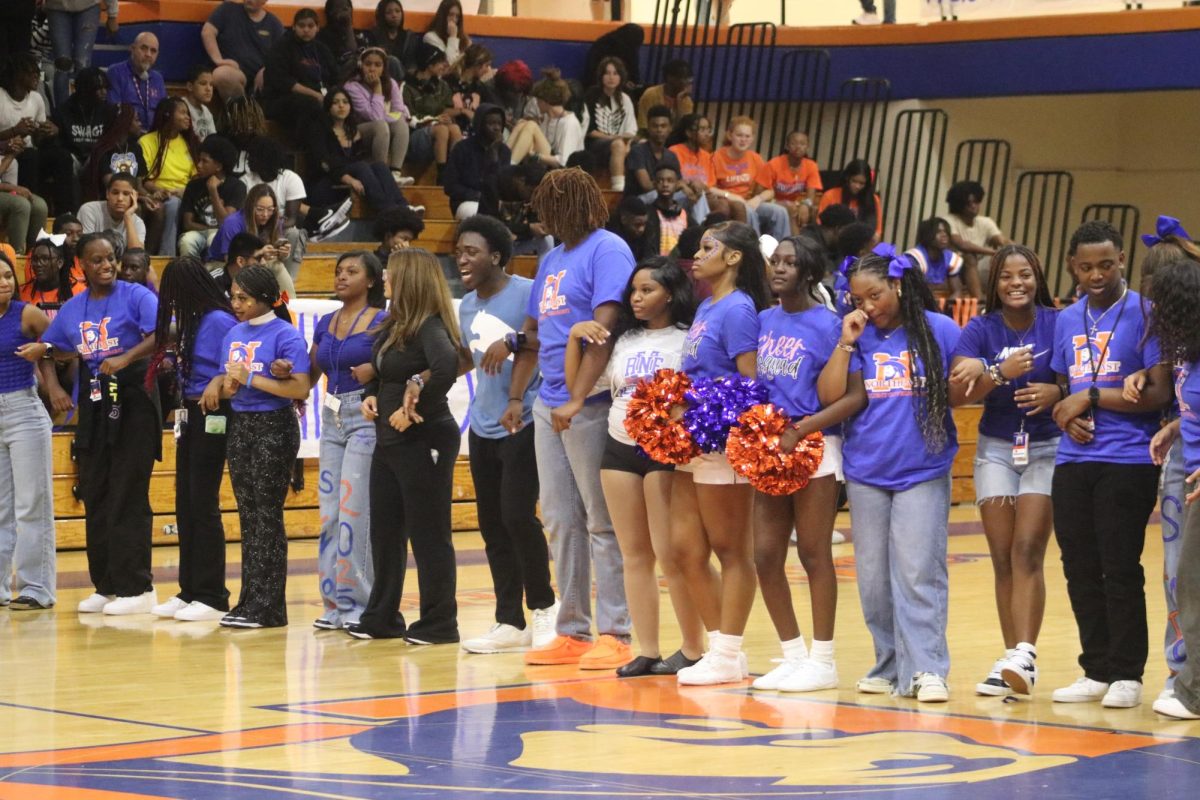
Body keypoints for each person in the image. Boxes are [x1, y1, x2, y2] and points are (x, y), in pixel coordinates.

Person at [503, 168, 634, 669]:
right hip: (548, 402)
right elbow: (535, 333)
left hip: (591, 402)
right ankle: (573, 630)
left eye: (552, 207)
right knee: (559, 519)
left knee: (602, 520)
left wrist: (577, 399)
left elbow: (603, 331)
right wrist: (518, 394)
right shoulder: (552, 258)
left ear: (578, 207)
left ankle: (616, 632)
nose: (544, 217)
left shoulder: (608, 249)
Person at [820, 246, 960, 702]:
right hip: (866, 471)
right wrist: (845, 340)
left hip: (922, 468)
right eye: (858, 298)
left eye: (875, 295)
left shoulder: (938, 330)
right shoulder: (857, 336)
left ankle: (928, 668)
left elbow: (965, 382)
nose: (868, 306)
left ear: (898, 285)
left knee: (919, 571)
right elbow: (830, 395)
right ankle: (889, 660)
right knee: (874, 579)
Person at [1047, 220, 1171, 709]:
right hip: (1073, 458)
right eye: (1085, 266)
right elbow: (1064, 389)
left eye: (1105, 263)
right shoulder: (1065, 317)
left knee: (1119, 566)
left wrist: (1090, 398)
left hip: (1128, 457)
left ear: (1121, 259)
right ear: (1072, 268)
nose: (1096, 274)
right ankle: (1095, 669)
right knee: (1078, 565)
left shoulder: (1147, 313)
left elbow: (1159, 394)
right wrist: (1068, 416)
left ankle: (1127, 673)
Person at [565, 257, 706, 675]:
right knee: (634, 555)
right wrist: (575, 337)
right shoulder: (623, 340)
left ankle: (693, 648)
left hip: (664, 453)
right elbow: (579, 386)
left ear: (671, 294)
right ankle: (645, 648)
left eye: (648, 290)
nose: (637, 298)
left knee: (671, 553)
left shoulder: (687, 339)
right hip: (618, 448)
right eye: (634, 291)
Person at [749, 236, 865, 692]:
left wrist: (802, 428)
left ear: (810, 274)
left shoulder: (829, 324)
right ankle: (794, 655)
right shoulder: (762, 320)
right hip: (768, 445)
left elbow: (855, 397)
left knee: (813, 552)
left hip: (814, 442)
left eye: (790, 263)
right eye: (775, 261)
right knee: (764, 555)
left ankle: (825, 659)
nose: (778, 269)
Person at [948, 244, 1061, 697]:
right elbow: (958, 394)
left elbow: (1082, 377)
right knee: (1001, 557)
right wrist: (997, 369)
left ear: (1038, 278)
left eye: (1025, 275)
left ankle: (1024, 653)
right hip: (996, 448)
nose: (1017, 283)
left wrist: (1057, 392)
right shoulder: (979, 328)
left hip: (1048, 446)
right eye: (1007, 277)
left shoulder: (1059, 321)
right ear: (994, 284)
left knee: (1027, 549)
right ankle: (1014, 657)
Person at [668, 221, 769, 685]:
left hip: (724, 441)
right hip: (695, 440)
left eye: (709, 246)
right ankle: (721, 651)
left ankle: (727, 653)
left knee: (731, 550)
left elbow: (750, 385)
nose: (697, 253)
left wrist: (701, 407)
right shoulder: (708, 304)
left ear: (733, 258)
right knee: (685, 551)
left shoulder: (740, 309)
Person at [40, 233, 161, 615]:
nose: (107, 265)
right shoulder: (73, 308)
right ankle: (106, 585)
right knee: (96, 490)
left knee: (127, 490)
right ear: (81, 266)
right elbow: (51, 348)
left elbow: (165, 333)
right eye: (97, 260)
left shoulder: (136, 295)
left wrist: (126, 358)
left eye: (111, 258)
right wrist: (54, 382)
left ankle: (138, 588)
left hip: (135, 397)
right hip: (95, 400)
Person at [348, 248, 463, 644]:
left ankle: (440, 622)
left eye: (390, 274)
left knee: (429, 533)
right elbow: (384, 372)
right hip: (389, 441)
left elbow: (448, 366)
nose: (384, 279)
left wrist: (414, 407)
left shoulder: (430, 325)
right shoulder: (395, 324)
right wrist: (372, 394)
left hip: (425, 436)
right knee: (386, 531)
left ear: (409, 279)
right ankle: (381, 617)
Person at [455, 215, 558, 654]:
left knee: (518, 515)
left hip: (526, 418)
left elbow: (545, 338)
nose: (461, 257)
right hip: (483, 423)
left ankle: (544, 608)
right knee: (493, 525)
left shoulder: (526, 291)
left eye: (471, 251)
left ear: (496, 256)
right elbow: (469, 356)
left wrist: (516, 340)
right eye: (458, 251)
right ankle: (508, 621)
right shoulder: (465, 306)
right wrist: (421, 380)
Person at [209, 265, 310, 628]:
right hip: (241, 424)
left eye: (243, 298)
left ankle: (269, 607)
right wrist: (227, 386)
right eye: (233, 297)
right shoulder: (233, 333)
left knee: (267, 515)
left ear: (264, 298)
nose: (235, 304)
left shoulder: (286, 335)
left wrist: (252, 378)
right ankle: (249, 601)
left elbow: (300, 389)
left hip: (274, 426)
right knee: (248, 515)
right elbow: (228, 381)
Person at [146, 257, 238, 622]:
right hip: (188, 412)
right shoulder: (193, 320)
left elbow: (230, 369)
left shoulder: (218, 320)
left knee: (202, 500)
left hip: (211, 412)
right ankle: (190, 590)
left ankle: (213, 594)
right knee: (185, 501)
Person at [305, 251, 387, 630]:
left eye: (351, 271)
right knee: (330, 514)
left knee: (356, 512)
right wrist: (283, 372)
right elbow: (309, 372)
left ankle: (358, 605)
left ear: (370, 281)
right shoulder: (325, 322)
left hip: (365, 417)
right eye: (338, 271)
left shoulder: (382, 321)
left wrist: (377, 370)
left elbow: (398, 365)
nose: (341, 277)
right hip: (331, 416)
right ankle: (333, 603)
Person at [1142, 257, 1200, 720]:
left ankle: (1194, 691)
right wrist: (1177, 425)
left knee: (1194, 587)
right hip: (1188, 471)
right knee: (1184, 581)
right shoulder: (1187, 349)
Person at [0, 251, 57, 611]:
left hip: (23, 411)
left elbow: (63, 346)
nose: (3, 282)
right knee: (0, 507)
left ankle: (37, 588)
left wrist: (45, 351)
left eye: (7, 276)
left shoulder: (26, 313)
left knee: (30, 504)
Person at [303, 88, 411, 214]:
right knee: (361, 167)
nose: (341, 106)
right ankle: (388, 210)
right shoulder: (319, 130)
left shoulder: (352, 131)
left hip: (348, 178)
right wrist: (348, 179)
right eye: (336, 102)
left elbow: (357, 159)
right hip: (325, 183)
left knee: (380, 166)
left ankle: (404, 206)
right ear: (328, 107)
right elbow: (324, 163)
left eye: (345, 102)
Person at [711, 117, 790, 240]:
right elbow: (709, 187)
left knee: (780, 212)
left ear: (752, 138)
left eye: (747, 136)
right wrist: (730, 196)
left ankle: (782, 251)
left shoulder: (755, 158)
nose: (743, 140)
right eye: (739, 135)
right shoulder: (717, 156)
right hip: (729, 204)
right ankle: (756, 250)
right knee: (748, 211)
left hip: (750, 202)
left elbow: (770, 190)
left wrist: (758, 199)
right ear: (730, 135)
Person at [139, 97, 200, 256]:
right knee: (172, 203)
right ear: (168, 115)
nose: (188, 117)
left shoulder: (189, 143)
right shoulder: (147, 141)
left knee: (175, 203)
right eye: (182, 112)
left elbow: (196, 179)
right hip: (158, 193)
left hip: (185, 193)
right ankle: (166, 256)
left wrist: (184, 190)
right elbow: (145, 180)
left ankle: (169, 255)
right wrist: (162, 190)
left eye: (188, 113)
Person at [262, 9, 337, 132]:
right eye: (301, 26)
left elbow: (335, 76)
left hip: (320, 97)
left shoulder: (322, 49)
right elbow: (283, 81)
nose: (306, 30)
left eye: (310, 26)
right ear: (294, 27)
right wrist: (316, 95)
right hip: (284, 99)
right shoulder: (282, 47)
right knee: (310, 104)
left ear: (317, 28)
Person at [346, 47, 412, 176]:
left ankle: (395, 172)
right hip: (358, 131)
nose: (372, 69)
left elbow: (398, 111)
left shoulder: (391, 83)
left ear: (383, 68)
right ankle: (382, 174)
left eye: (378, 65)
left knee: (400, 123)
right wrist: (377, 88)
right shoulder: (352, 86)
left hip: (382, 126)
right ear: (361, 65)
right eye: (368, 64)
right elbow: (375, 117)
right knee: (381, 126)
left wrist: (387, 118)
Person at [201, 0, 285, 101]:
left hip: (260, 78)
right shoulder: (227, 9)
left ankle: (256, 111)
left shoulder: (274, 24)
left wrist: (267, 69)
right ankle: (242, 112)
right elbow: (207, 32)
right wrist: (218, 60)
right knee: (221, 75)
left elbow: (284, 55)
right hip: (234, 71)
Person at [179, 135, 246, 260]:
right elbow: (187, 223)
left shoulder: (237, 186)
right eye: (199, 160)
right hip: (198, 232)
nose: (198, 165)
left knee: (213, 239)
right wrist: (210, 229)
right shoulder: (193, 185)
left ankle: (213, 276)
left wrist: (213, 191)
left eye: (204, 161)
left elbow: (226, 223)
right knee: (186, 241)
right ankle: (188, 275)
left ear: (219, 166)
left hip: (222, 234)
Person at [402, 44, 464, 177]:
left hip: (438, 131)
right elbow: (408, 117)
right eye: (440, 63)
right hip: (414, 135)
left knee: (454, 128)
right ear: (429, 65)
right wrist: (435, 120)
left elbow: (445, 108)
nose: (444, 66)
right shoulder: (407, 87)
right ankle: (442, 175)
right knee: (441, 129)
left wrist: (453, 114)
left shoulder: (442, 86)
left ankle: (454, 172)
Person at [43, 0, 119, 106]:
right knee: (62, 65)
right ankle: (62, 116)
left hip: (89, 6)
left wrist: (113, 14)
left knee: (82, 63)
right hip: (56, 7)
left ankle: (84, 114)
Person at [443, 104, 509, 220]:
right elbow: (450, 186)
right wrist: (476, 195)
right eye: (491, 123)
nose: (497, 128)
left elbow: (502, 184)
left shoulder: (504, 151)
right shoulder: (462, 148)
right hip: (465, 202)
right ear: (480, 125)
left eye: (499, 123)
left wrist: (494, 155)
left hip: (494, 202)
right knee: (482, 216)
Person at [946, 180, 1010, 298]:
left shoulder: (985, 222)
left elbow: (1002, 241)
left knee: (1008, 260)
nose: (973, 205)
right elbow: (962, 245)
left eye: (976, 201)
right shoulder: (948, 221)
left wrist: (1019, 251)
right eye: (968, 202)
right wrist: (994, 252)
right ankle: (979, 301)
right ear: (958, 204)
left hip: (978, 268)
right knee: (969, 257)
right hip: (954, 269)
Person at [582, 57, 637, 192]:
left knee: (643, 144)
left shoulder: (625, 98)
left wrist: (627, 142)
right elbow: (590, 131)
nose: (611, 77)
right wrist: (616, 139)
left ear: (621, 77)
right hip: (596, 143)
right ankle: (618, 189)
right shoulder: (591, 95)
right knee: (618, 145)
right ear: (601, 76)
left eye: (615, 73)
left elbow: (631, 129)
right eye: (607, 73)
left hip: (622, 141)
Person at [53, 66, 115, 172]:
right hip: (71, 161)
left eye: (105, 88)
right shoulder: (63, 111)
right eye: (99, 88)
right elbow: (59, 144)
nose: (104, 92)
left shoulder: (108, 111)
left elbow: (110, 143)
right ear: (85, 89)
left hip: (98, 162)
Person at [213, 231, 296, 304]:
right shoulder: (212, 282)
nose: (263, 263)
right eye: (258, 258)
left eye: (264, 257)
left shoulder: (262, 282)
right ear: (240, 261)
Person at [763, 132, 822, 234]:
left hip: (794, 204)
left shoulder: (811, 166)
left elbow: (810, 195)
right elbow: (759, 193)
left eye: (802, 144)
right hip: (771, 202)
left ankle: (810, 241)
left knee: (813, 209)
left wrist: (806, 205)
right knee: (790, 208)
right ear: (787, 146)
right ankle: (795, 242)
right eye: (794, 143)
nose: (798, 147)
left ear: (807, 147)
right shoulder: (774, 164)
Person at [105, 33, 166, 131]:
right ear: (132, 49)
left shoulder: (158, 78)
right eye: (144, 48)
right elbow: (113, 110)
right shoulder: (116, 72)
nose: (148, 54)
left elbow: (164, 113)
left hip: (152, 138)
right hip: (125, 135)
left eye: (153, 51)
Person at [528, 69, 584, 168]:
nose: (536, 104)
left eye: (538, 100)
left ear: (546, 101)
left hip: (564, 174)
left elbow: (564, 162)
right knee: (524, 124)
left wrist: (535, 156)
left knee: (530, 126)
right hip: (545, 165)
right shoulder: (546, 118)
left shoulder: (569, 123)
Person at [77, 171, 146, 251]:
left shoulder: (137, 222)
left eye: (126, 194)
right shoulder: (89, 210)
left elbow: (137, 254)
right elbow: (86, 249)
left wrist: (127, 217)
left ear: (134, 196)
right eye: (115, 193)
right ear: (107, 194)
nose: (120, 198)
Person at [625, 105, 682, 197]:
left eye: (663, 126)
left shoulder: (671, 156)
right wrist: (678, 185)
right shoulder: (637, 151)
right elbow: (646, 186)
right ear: (648, 127)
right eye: (655, 126)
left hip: (664, 197)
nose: (659, 130)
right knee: (658, 195)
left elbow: (677, 181)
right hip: (639, 200)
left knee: (695, 197)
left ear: (670, 128)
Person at [818, 159, 882, 239]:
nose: (857, 186)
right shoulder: (830, 195)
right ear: (847, 179)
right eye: (854, 181)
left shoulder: (874, 200)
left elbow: (877, 232)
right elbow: (820, 224)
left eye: (861, 183)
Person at [905, 217, 966, 299]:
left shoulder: (950, 258)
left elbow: (957, 291)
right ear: (927, 236)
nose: (944, 235)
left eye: (946, 232)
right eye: (938, 232)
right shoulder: (915, 258)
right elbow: (913, 291)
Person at [367, 0, 419, 83]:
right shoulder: (373, 35)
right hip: (381, 79)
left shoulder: (409, 36)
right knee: (391, 60)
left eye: (397, 11)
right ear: (382, 15)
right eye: (389, 12)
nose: (394, 15)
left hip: (406, 80)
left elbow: (411, 65)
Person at [637, 59, 693, 131]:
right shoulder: (651, 94)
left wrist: (680, 102)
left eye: (689, 78)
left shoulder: (686, 100)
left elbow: (684, 129)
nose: (686, 82)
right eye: (682, 78)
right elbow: (643, 124)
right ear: (669, 77)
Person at [317, 0, 366, 80]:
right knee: (353, 62)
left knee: (390, 61)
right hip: (339, 74)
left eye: (347, 7)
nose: (345, 9)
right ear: (330, 12)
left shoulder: (359, 33)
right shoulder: (323, 35)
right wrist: (348, 25)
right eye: (339, 7)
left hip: (366, 70)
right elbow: (351, 52)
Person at [607, 197, 658, 262]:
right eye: (637, 225)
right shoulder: (610, 238)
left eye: (644, 224)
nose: (642, 229)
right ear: (624, 219)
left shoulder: (647, 235)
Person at [423, 0, 469, 68]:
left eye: (457, 16)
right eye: (450, 15)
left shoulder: (463, 39)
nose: (454, 19)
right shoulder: (430, 37)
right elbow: (450, 64)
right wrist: (453, 37)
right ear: (442, 16)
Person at [183, 65, 218, 141]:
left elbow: (213, 140)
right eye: (203, 83)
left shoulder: (206, 111)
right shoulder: (182, 107)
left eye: (211, 84)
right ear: (190, 86)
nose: (208, 89)